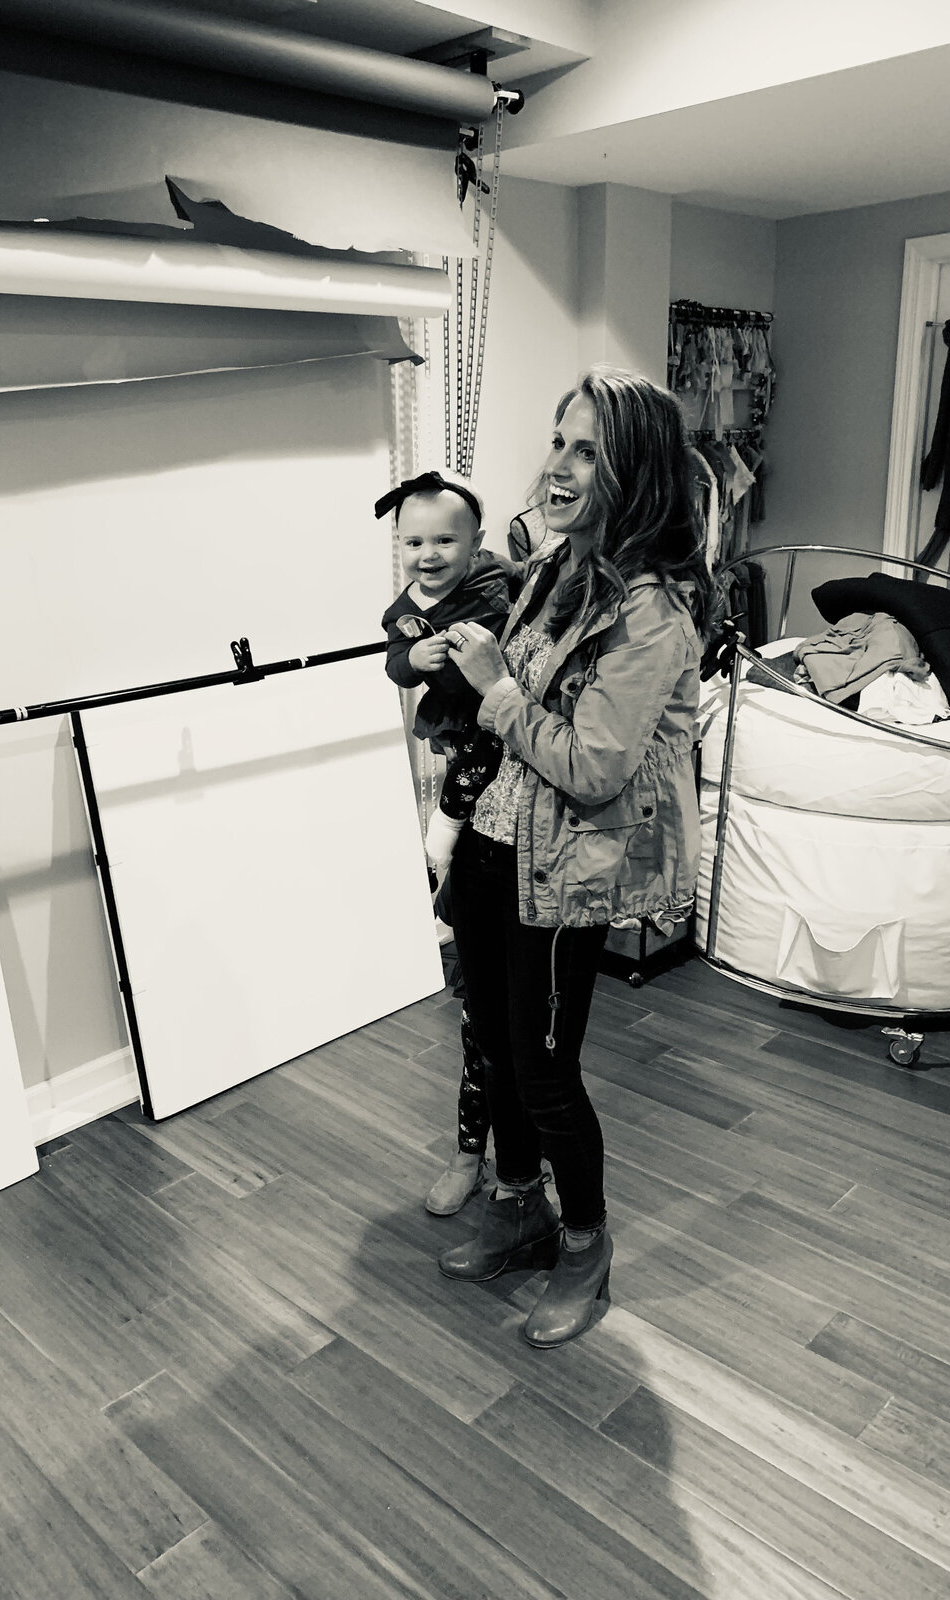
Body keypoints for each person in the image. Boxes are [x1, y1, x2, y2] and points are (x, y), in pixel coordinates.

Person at [435, 368, 713, 1348]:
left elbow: (594, 766)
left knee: (547, 1070)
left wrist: (492, 687)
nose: (557, 464)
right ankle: (518, 1205)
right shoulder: (557, 569)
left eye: (586, 448)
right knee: (500, 1052)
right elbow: (518, 700)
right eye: (557, 439)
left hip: (563, 873)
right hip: (494, 848)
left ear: (631, 469)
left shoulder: (652, 617)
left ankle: (586, 1246)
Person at [375, 468, 516, 1215]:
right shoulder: (406, 606)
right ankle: (471, 1153)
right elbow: (395, 660)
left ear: (476, 544)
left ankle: (527, 1167)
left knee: (529, 1046)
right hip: (461, 746)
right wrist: (414, 662)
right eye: (414, 541)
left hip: (500, 756)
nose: (429, 555)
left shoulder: (496, 588)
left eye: (445, 541)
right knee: (478, 1028)